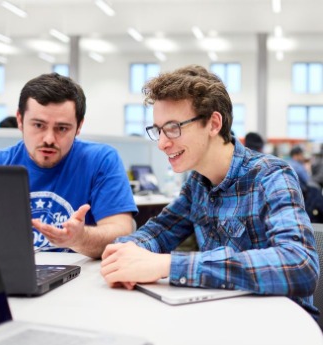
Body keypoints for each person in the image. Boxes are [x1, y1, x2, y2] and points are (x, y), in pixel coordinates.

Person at [100, 64, 319, 319]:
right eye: (158, 130)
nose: (161, 143)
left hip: (280, 323)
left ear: (214, 123)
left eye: (173, 127)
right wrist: (125, 252)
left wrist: (168, 265)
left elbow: (300, 265)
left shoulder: (271, 176)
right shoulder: (197, 183)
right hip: (221, 316)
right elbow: (158, 232)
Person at [0, 73, 137, 258]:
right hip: (8, 277)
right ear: (20, 120)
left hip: (80, 279)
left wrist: (79, 238)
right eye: (39, 125)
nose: (49, 139)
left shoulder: (100, 160)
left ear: (79, 126)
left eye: (62, 128)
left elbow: (122, 232)